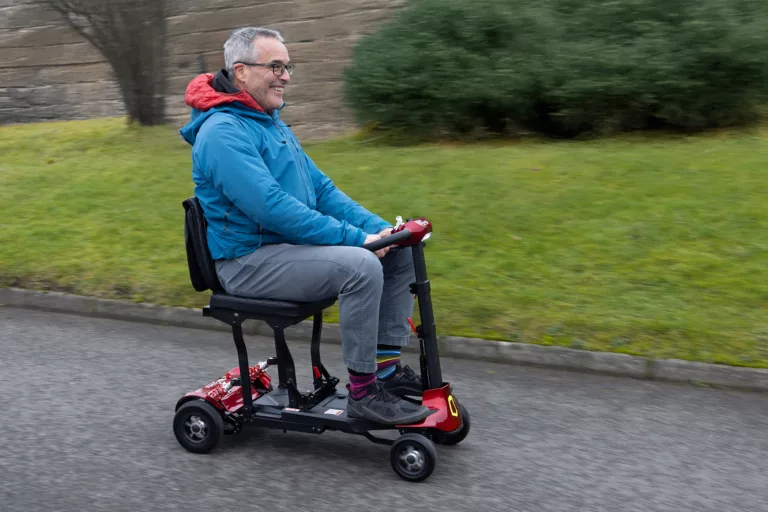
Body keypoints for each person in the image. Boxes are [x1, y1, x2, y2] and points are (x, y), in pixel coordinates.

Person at [179, 27, 431, 425]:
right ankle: (365, 393)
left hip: (286, 251)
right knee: (361, 265)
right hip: (248, 262)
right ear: (241, 72)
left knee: (397, 254)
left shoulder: (269, 122)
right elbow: (274, 209)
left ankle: (385, 373)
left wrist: (385, 231)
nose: (286, 76)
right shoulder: (223, 132)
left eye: (288, 66)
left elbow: (322, 190)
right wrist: (359, 241)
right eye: (276, 66)